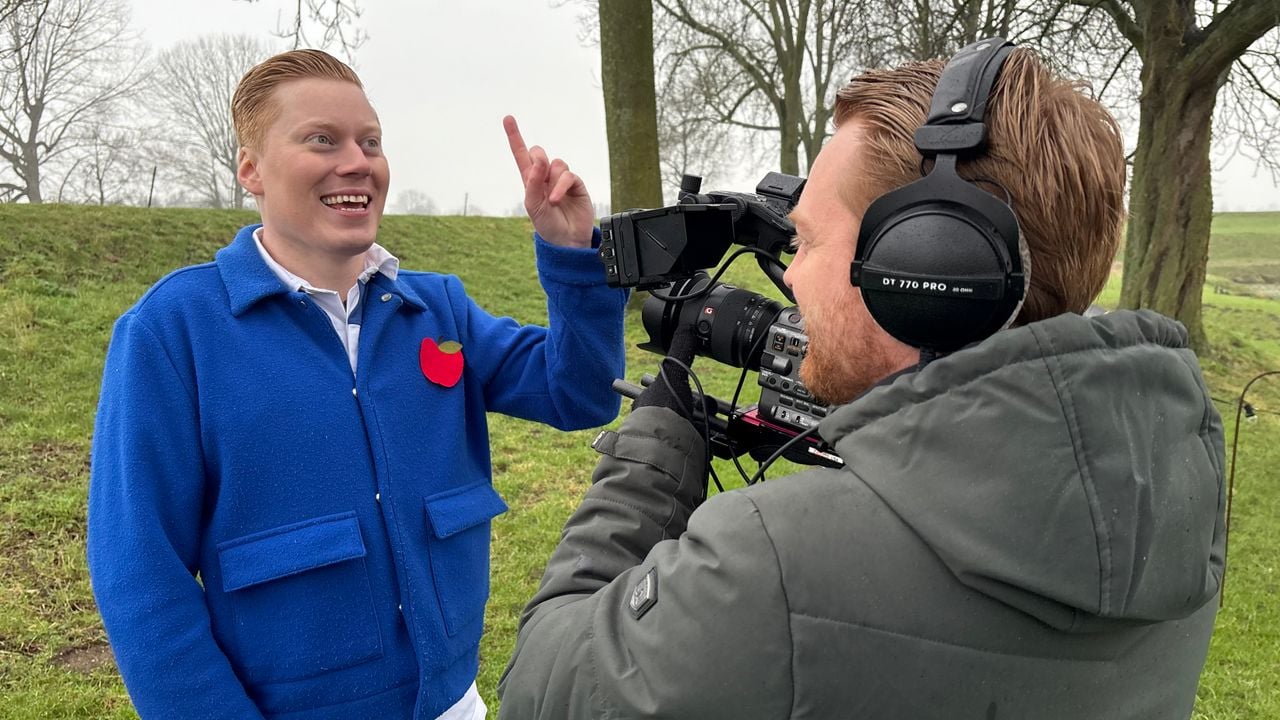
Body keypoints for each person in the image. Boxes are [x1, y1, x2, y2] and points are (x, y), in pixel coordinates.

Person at [497, 41, 1225, 719]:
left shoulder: (771, 566)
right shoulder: (1178, 494)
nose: (793, 277)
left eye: (809, 241)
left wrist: (651, 457)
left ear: (927, 267)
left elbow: (541, 682)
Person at [87, 49, 626, 719]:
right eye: (323, 140)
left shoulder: (438, 308)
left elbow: (581, 393)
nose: (358, 161)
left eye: (371, 142)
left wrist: (572, 257)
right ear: (250, 170)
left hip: (453, 702)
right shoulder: (172, 332)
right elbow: (139, 573)